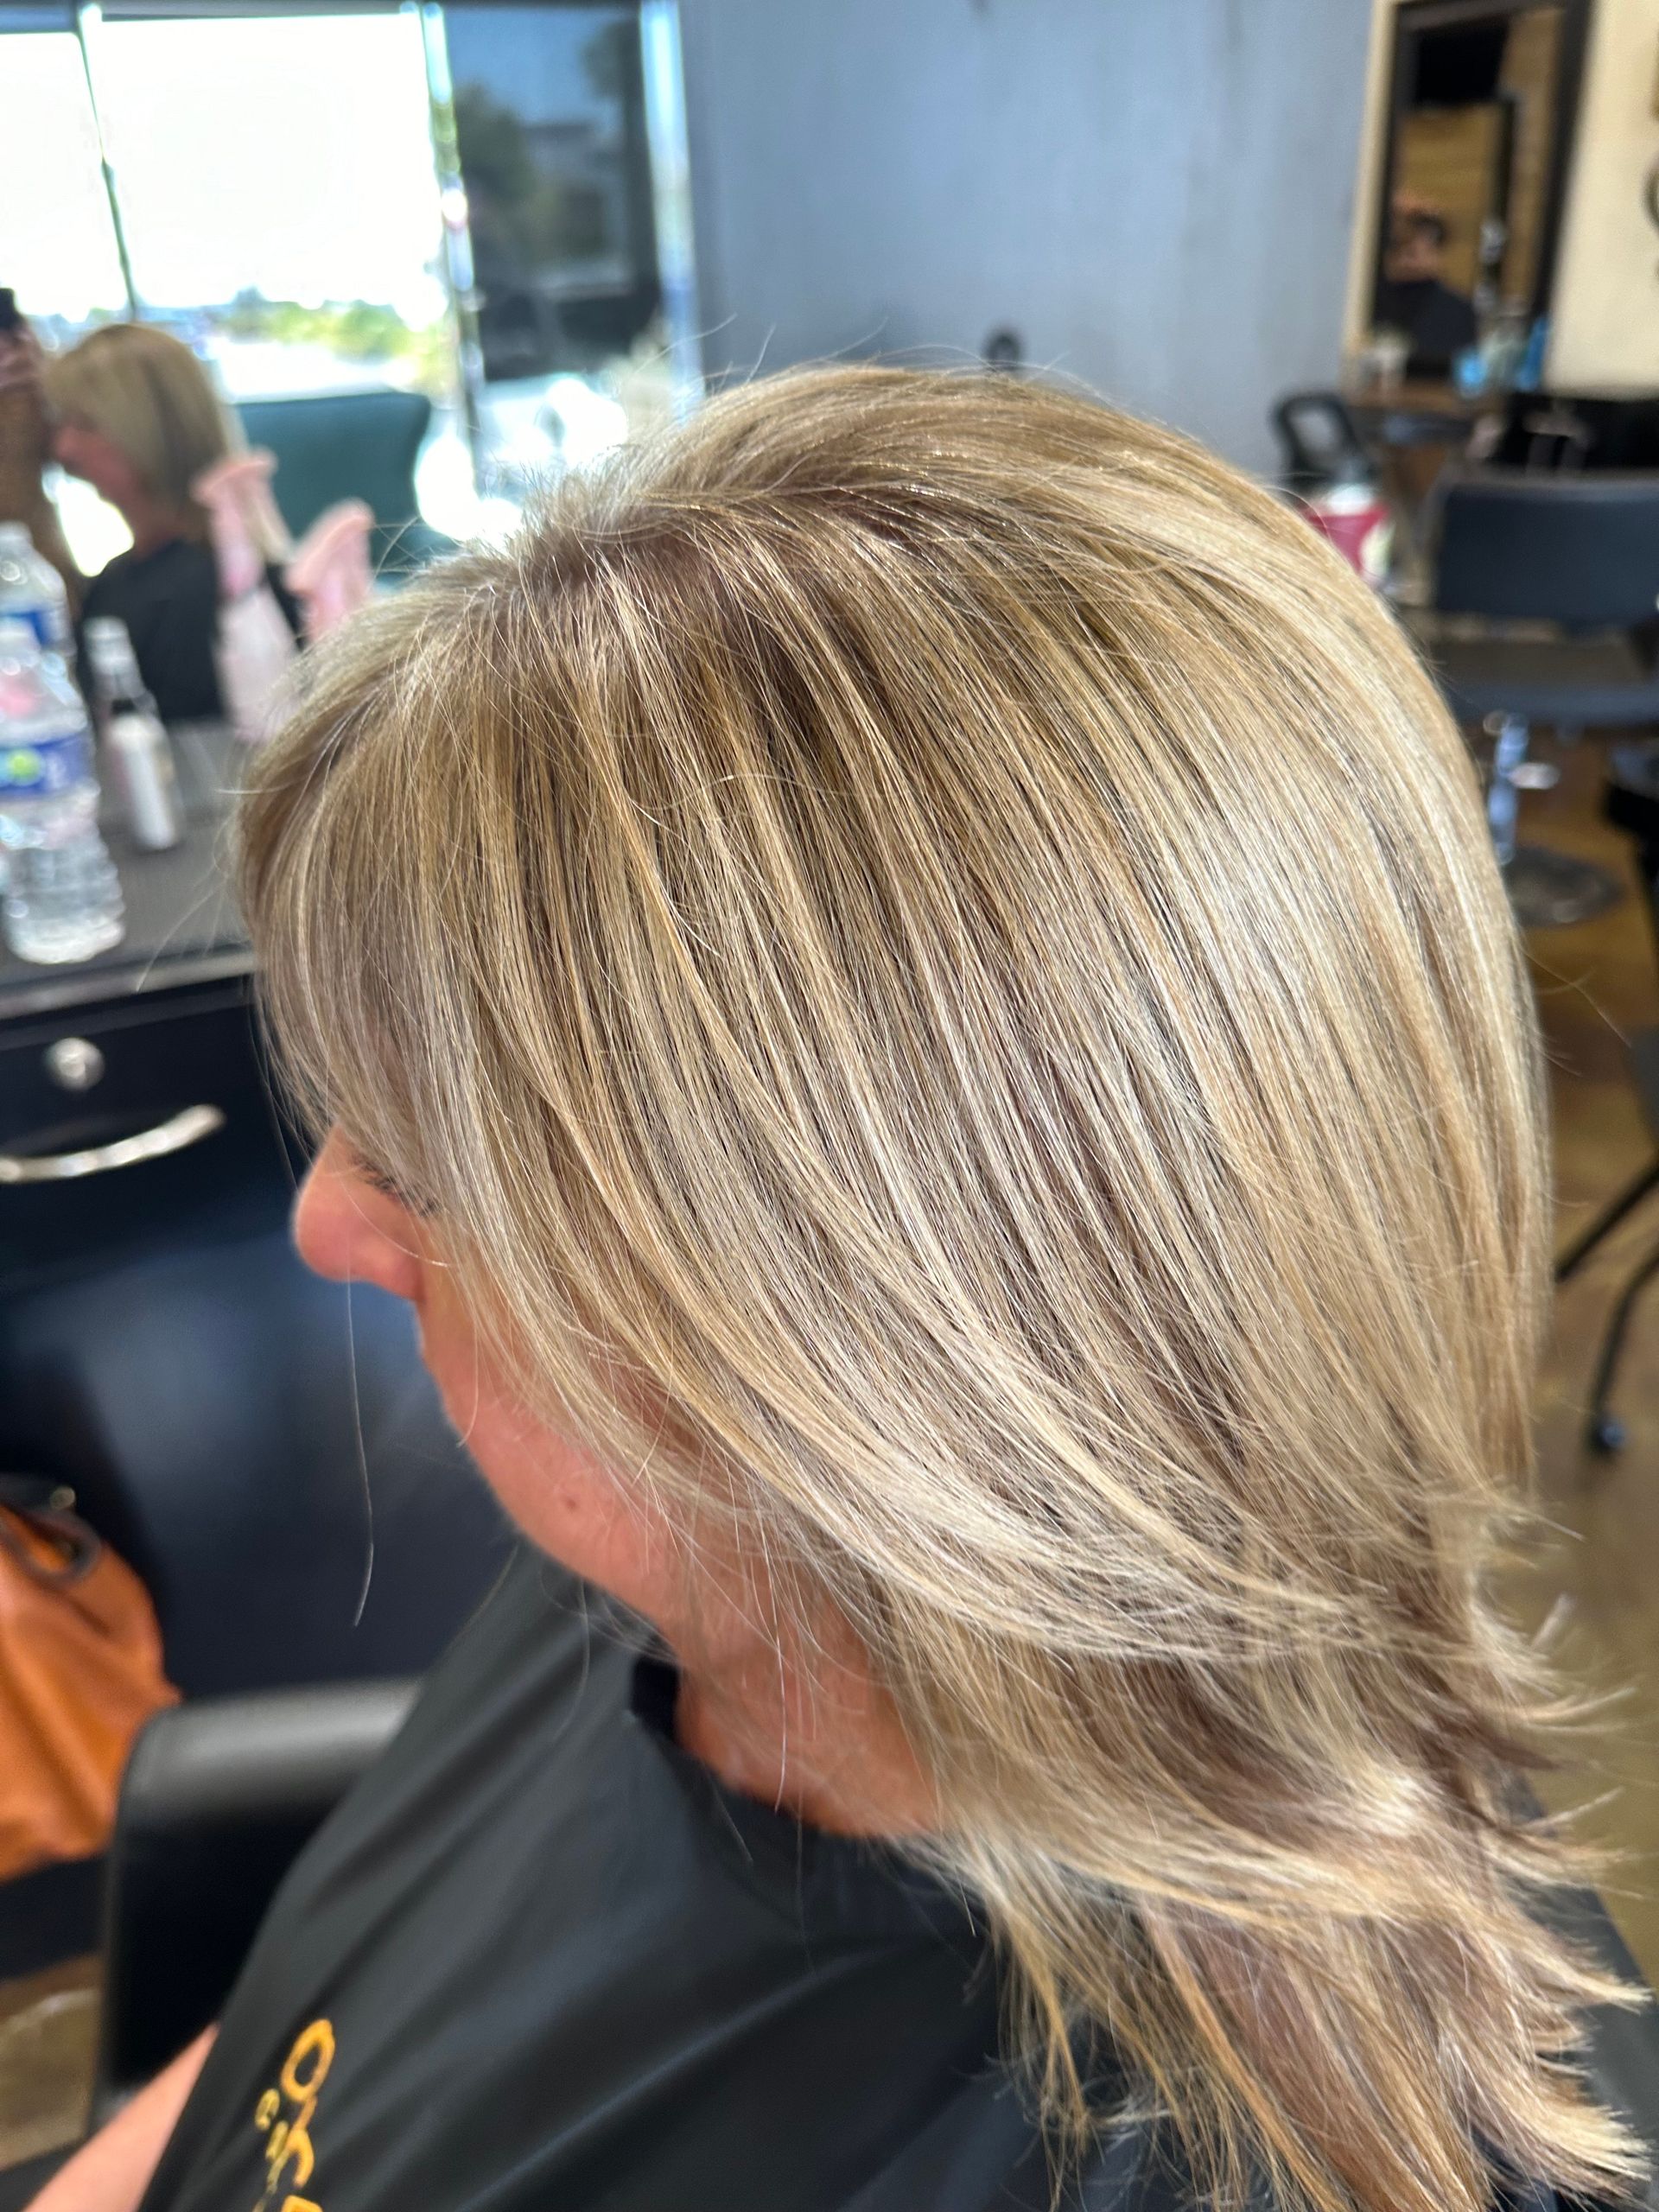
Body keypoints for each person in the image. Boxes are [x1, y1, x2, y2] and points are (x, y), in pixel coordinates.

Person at [29, 365, 1643, 2212]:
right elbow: (307, 2040)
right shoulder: (683, 1570)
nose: (332, 1218)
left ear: (859, 1366)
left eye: (428, 1158)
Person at [42, 324, 291, 722]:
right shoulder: (119, 581)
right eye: (62, 424)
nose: (64, 448)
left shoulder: (221, 593)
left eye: (85, 424)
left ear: (148, 429)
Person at [1374, 202, 1479, 376]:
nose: (1406, 259)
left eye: (1413, 252)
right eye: (1400, 248)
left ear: (1437, 253)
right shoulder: (1370, 301)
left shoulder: (1458, 310)